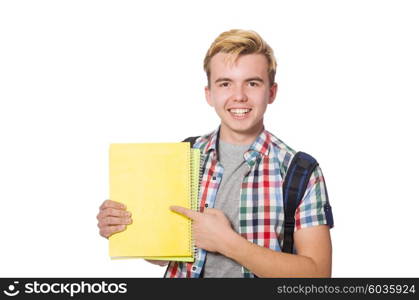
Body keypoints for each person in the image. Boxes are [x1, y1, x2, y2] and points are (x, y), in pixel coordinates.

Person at [96, 29, 334, 278]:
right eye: (225, 83)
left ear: (271, 92)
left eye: (252, 83)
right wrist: (125, 228)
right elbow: (162, 255)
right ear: (209, 94)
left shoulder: (300, 172)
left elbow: (318, 275)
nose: (239, 96)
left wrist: (227, 243)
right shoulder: (181, 157)